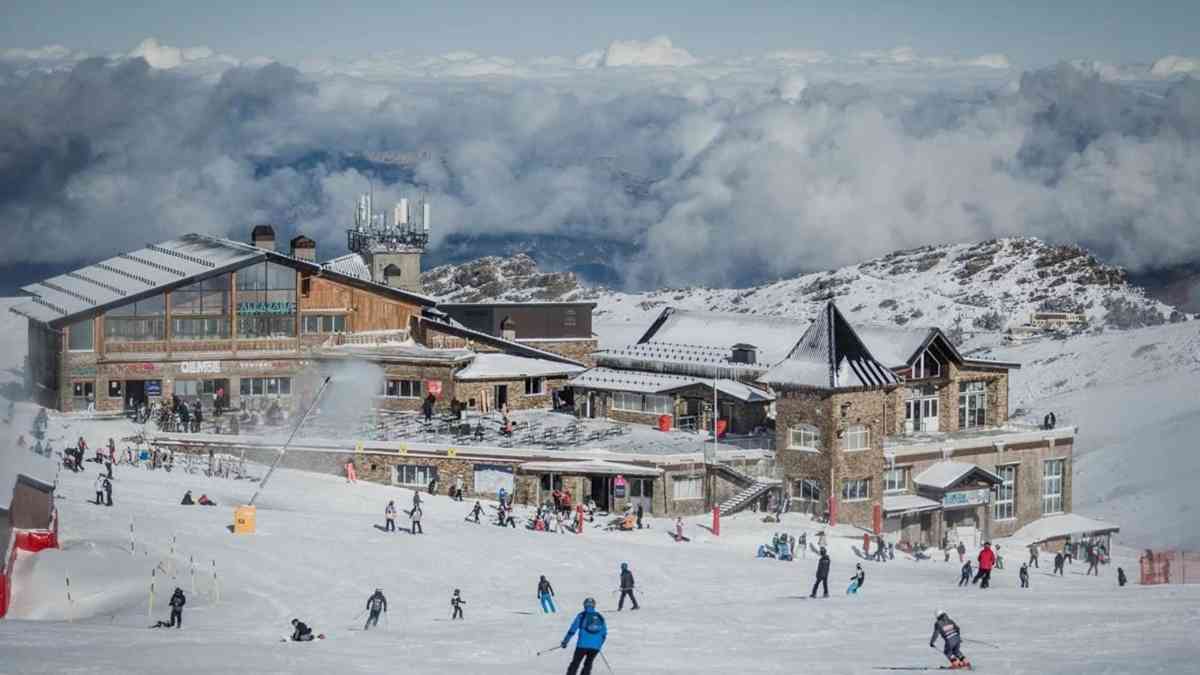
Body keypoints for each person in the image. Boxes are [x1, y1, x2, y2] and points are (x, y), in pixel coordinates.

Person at [561, 597, 607, 675]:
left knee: (575, 663)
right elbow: (604, 634)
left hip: (582, 645)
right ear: (594, 605)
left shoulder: (581, 615)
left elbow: (572, 629)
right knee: (588, 664)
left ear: (584, 605)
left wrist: (565, 641)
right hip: (595, 647)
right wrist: (599, 645)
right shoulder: (599, 616)